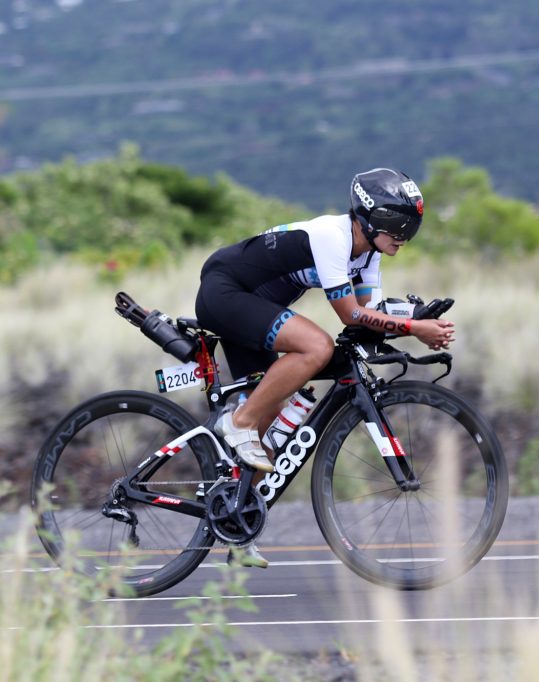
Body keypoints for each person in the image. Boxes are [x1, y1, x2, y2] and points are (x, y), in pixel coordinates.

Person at [194, 168, 455, 566]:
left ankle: (236, 523)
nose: (404, 237)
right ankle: (238, 422)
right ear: (370, 218)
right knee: (316, 348)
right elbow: (351, 315)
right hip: (225, 290)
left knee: (270, 424)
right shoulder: (332, 237)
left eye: (411, 228)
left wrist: (414, 315)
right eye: (398, 226)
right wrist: (413, 327)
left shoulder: (367, 254)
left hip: (252, 306)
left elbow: (371, 313)